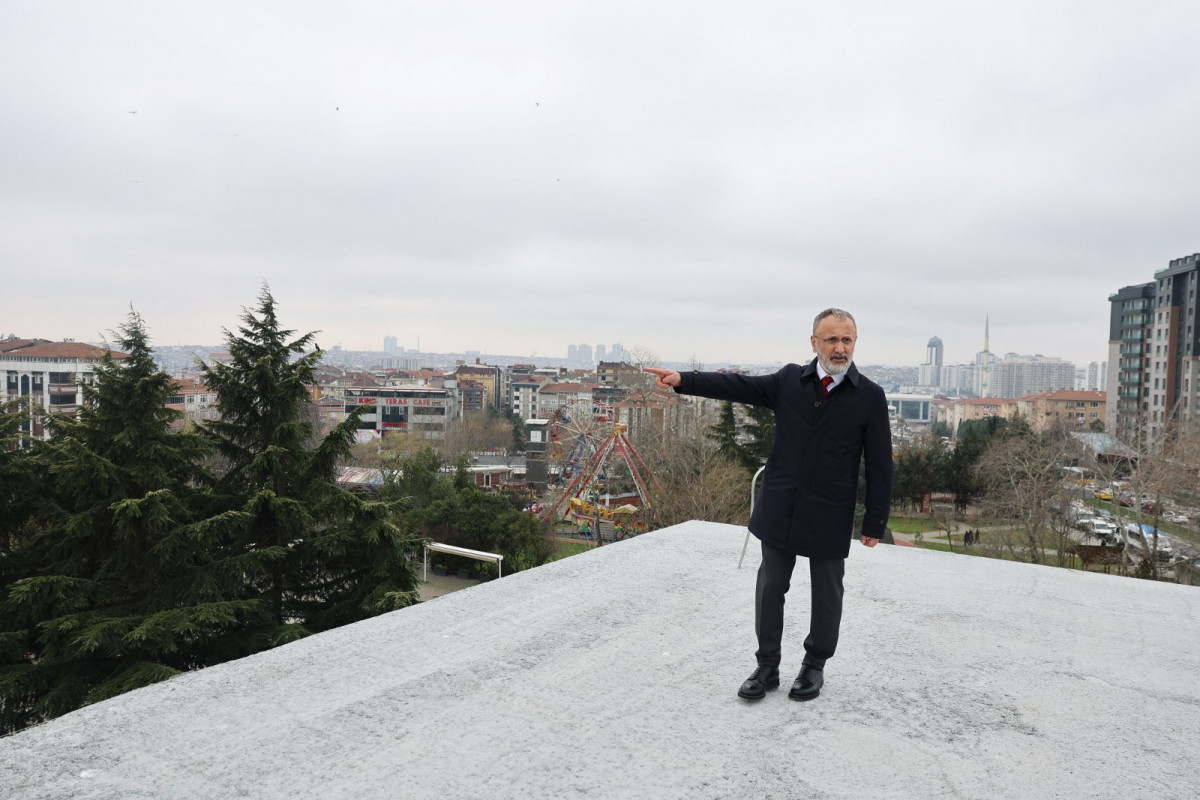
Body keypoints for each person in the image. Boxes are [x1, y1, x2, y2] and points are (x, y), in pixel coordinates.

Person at [644, 308, 893, 702]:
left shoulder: (870, 397)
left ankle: (814, 665)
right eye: (831, 339)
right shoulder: (789, 381)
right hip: (781, 505)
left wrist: (875, 522)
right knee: (770, 585)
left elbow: (880, 464)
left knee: (828, 593)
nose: (839, 348)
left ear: (854, 343)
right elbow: (738, 386)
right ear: (814, 342)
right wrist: (683, 380)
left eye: (847, 340)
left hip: (830, 511)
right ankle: (767, 666)